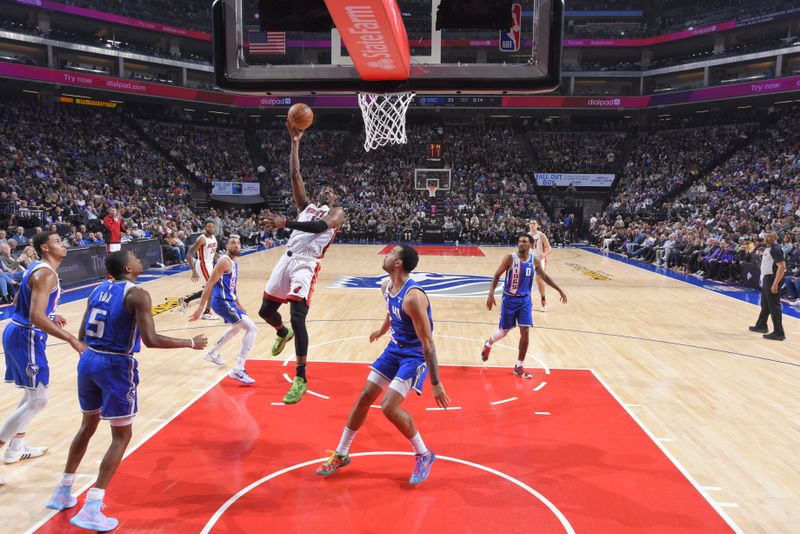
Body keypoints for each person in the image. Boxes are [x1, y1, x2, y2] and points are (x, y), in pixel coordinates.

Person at [45, 250, 207, 530]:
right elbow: (151, 340)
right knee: (122, 435)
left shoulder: (99, 289)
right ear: (129, 267)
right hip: (116, 365)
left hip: (89, 360)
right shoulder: (137, 294)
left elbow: (83, 334)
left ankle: (63, 491)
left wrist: (92, 356)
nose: (140, 259)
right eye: (136, 257)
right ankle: (92, 507)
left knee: (87, 426)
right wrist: (190, 342)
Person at [316, 245, 448, 484]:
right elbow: (391, 311)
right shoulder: (387, 286)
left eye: (391, 253)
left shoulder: (413, 297)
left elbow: (428, 342)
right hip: (393, 349)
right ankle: (342, 453)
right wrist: (382, 329)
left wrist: (436, 382)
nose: (386, 255)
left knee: (388, 406)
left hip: (414, 356)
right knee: (365, 396)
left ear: (398, 263)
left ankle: (424, 454)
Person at [259, 122, 346, 404]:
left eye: (330, 191)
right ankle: (282, 333)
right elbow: (294, 173)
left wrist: (284, 222)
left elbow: (321, 227)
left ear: (334, 199)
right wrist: (295, 142)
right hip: (286, 259)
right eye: (322, 190)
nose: (325, 192)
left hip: (306, 266)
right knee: (265, 311)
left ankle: (300, 377)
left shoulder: (337, 214)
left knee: (299, 316)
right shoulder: (305, 206)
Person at [0, 232, 87, 485]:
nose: (64, 244)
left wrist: (52, 312)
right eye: (58, 241)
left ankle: (16, 447)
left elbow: (20, 300)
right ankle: (10, 445)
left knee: (31, 395)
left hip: (21, 333)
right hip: (27, 334)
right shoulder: (46, 272)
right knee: (38, 399)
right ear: (45, 247)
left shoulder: (39, 269)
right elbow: (36, 316)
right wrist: (71, 338)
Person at [480, 234, 568, 378]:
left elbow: (544, 277)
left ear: (531, 245)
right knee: (504, 332)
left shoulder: (535, 260)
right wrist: (490, 294)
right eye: (520, 241)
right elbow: (496, 275)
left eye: (524, 241)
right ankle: (488, 344)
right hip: (509, 299)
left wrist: (560, 290)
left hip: (525, 301)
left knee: (525, 332)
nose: (521, 243)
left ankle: (519, 365)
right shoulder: (510, 258)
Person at [189, 235, 257, 384]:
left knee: (237, 328)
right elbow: (209, 284)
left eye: (238, 243)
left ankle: (212, 353)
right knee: (252, 328)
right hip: (221, 302)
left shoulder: (234, 262)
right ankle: (238, 369)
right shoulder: (224, 261)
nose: (236, 245)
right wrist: (201, 308)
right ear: (226, 245)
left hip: (229, 302)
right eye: (233, 243)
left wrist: (238, 303)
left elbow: (231, 287)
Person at [749, 231, 786, 341]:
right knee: (765, 304)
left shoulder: (776, 249)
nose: (766, 238)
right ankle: (761, 326)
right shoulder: (768, 248)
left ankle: (779, 333)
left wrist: (775, 283)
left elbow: (781, 267)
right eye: (765, 236)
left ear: (775, 237)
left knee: (774, 306)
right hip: (767, 279)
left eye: (769, 236)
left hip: (772, 279)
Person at [181, 221, 218, 320]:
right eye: (208, 226)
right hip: (203, 265)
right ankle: (206, 313)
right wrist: (193, 271)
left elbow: (213, 252)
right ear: (205, 227)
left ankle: (186, 300)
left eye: (212, 226)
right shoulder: (202, 239)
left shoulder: (213, 237)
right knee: (211, 288)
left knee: (209, 288)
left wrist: (221, 259)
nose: (210, 228)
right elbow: (189, 254)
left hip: (209, 265)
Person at [529, 219, 552, 312]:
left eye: (534, 223)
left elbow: (550, 248)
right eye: (530, 223)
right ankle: (528, 303)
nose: (532, 225)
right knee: (527, 281)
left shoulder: (541, 235)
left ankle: (543, 301)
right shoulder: (527, 235)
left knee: (538, 280)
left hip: (540, 260)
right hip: (529, 260)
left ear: (537, 225)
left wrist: (544, 254)